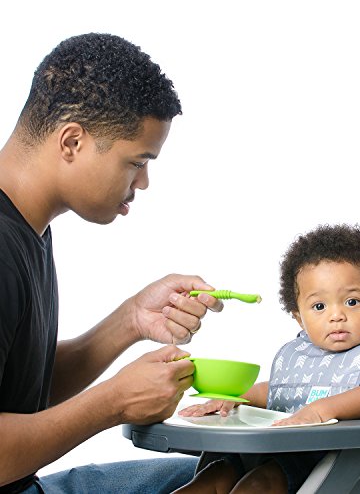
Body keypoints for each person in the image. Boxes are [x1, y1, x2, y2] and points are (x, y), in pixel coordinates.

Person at [0, 33, 224, 493]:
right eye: (137, 162)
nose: (143, 182)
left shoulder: (27, 228)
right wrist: (114, 402)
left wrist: (131, 320)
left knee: (231, 470)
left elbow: (20, 391)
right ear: (72, 142)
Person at [176, 224, 360, 493]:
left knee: (259, 484)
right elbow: (277, 391)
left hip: (330, 461)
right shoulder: (300, 354)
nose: (336, 316)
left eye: (352, 302)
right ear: (299, 318)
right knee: (213, 476)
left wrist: (318, 411)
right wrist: (234, 398)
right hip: (275, 447)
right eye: (319, 306)